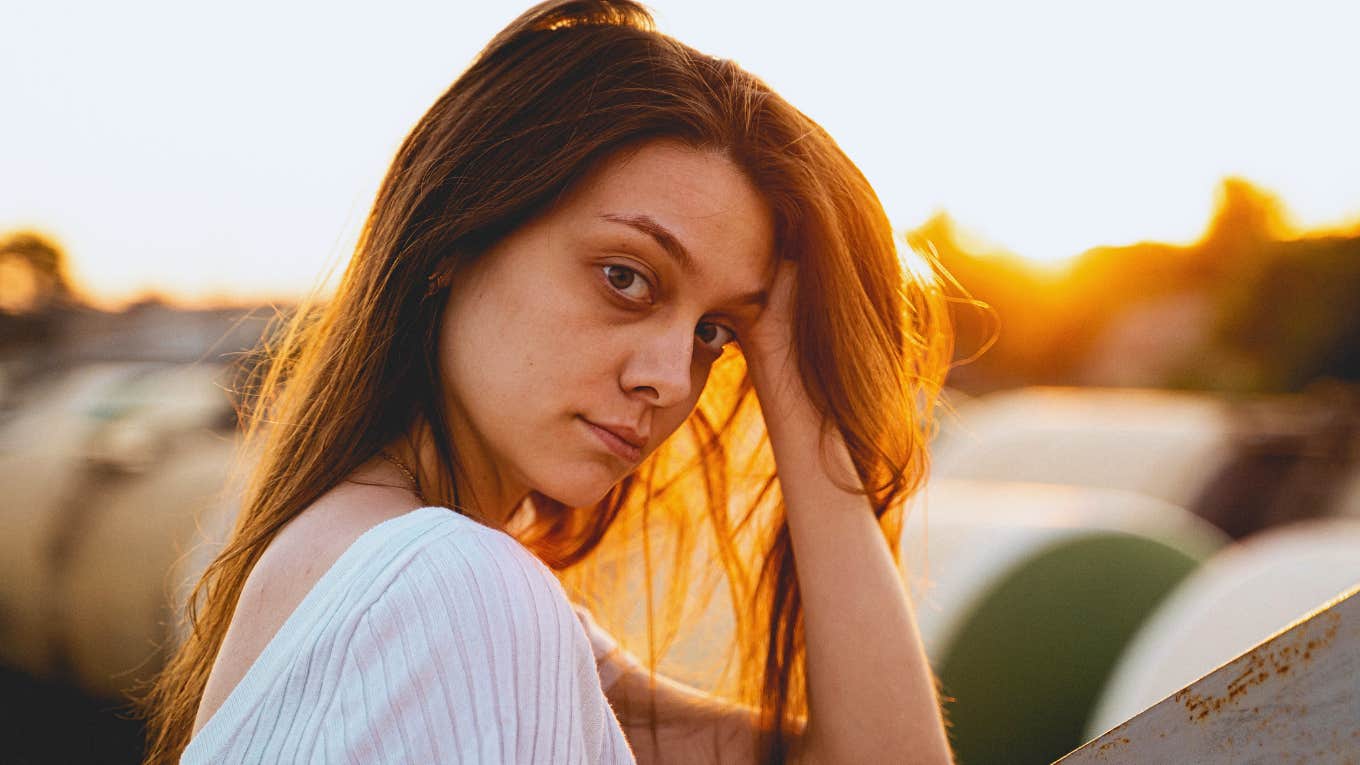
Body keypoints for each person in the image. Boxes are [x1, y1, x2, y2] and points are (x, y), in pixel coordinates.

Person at [137, 1, 955, 762]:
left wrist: (795, 370)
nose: (671, 381)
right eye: (627, 277)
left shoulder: (415, 577)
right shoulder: (453, 585)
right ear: (459, 229)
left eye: (716, 331)